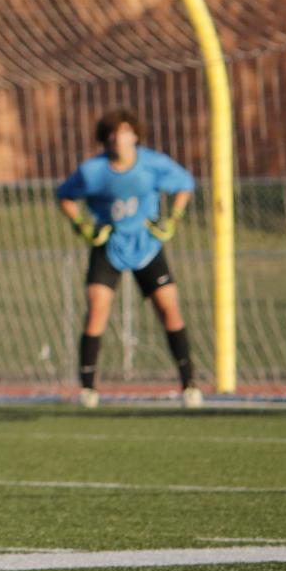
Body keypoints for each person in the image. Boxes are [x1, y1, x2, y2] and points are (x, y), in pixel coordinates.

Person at [56, 108, 200, 409]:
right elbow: (64, 196)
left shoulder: (152, 164)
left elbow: (185, 185)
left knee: (168, 307)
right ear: (104, 140)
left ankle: (189, 385)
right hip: (108, 246)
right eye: (111, 133)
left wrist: (172, 218)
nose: (117, 138)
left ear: (134, 135)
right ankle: (88, 389)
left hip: (146, 246)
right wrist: (81, 225)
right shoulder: (92, 171)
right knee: (97, 308)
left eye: (123, 131)